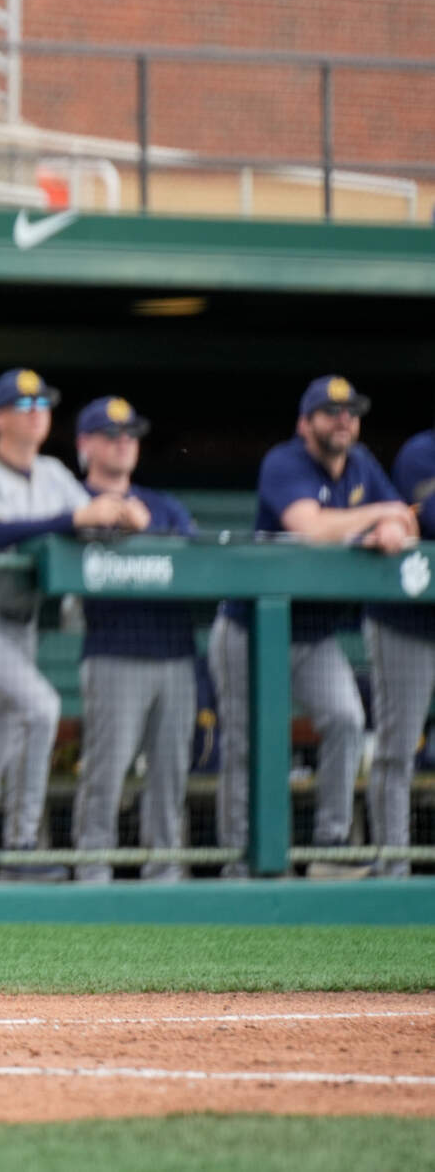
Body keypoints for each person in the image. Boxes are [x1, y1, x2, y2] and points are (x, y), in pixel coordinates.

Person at [213, 376, 415, 877]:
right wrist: (379, 514)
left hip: (313, 634)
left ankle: (331, 844)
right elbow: (310, 527)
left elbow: (404, 519)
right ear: (305, 423)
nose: (343, 420)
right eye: (331, 412)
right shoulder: (284, 462)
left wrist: (391, 526)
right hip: (251, 629)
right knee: (247, 743)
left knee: (346, 720)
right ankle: (242, 860)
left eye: (351, 412)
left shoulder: (362, 464)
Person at [0, 368, 106, 879]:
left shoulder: (54, 473)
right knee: (42, 707)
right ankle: (21, 848)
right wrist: (72, 520)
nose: (38, 414)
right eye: (25, 406)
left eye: (43, 406)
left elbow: (92, 519)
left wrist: (120, 513)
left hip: (22, 625)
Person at [64, 396, 201, 884]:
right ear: (85, 443)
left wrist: (146, 528)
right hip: (114, 650)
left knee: (170, 771)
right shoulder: (73, 501)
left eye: (130, 435)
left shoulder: (162, 505)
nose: (123, 443)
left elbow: (197, 557)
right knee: (106, 770)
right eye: (111, 435)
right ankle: (92, 871)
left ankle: (165, 872)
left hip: (175, 651)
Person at [376, 410, 435, 875]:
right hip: (406, 623)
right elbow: (427, 516)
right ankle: (392, 864)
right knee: (398, 750)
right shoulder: (421, 453)